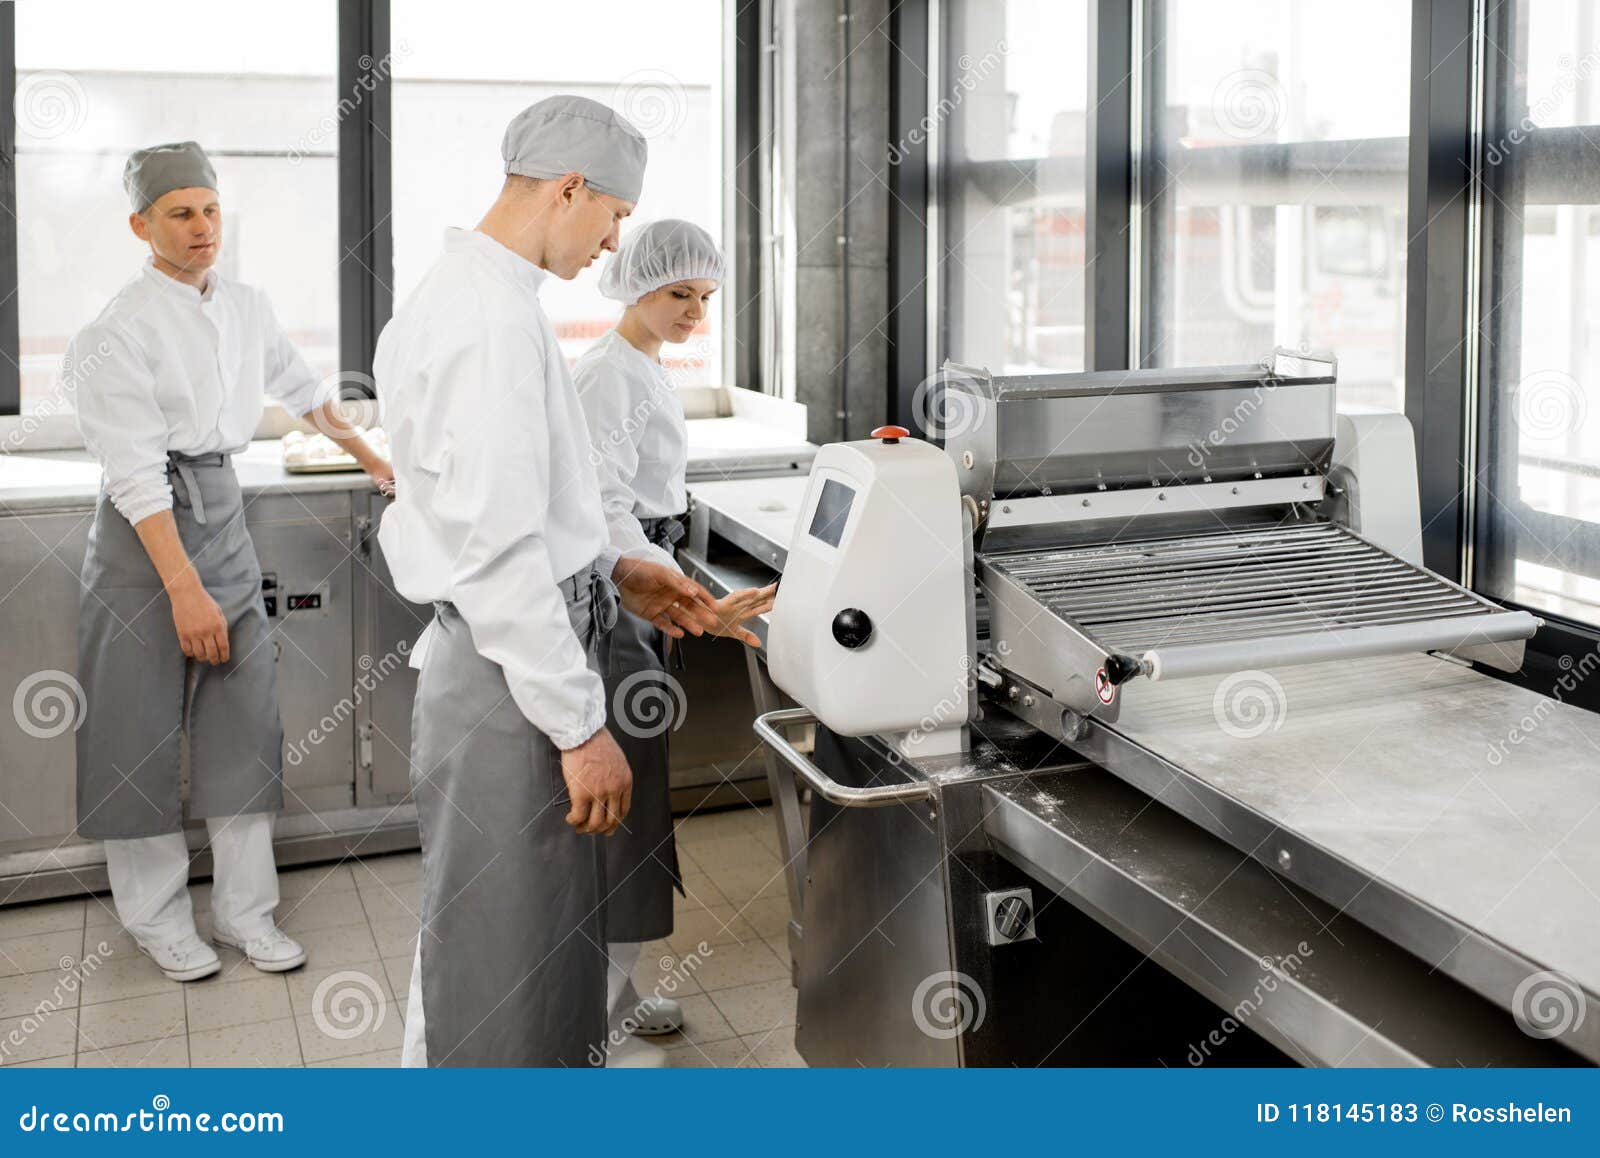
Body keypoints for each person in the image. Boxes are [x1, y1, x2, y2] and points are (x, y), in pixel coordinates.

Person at [377, 96, 756, 1068]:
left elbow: (531, 511)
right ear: (569, 188)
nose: (613, 242)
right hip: (512, 674)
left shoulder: (487, 301)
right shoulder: (486, 324)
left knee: (499, 949)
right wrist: (582, 728)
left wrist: (619, 570)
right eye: (615, 218)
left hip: (519, 655)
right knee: (500, 969)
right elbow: (500, 557)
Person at [70, 141, 392, 983]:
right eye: (180, 213)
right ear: (141, 225)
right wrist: (184, 592)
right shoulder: (116, 332)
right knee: (138, 733)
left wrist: (375, 458)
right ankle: (157, 920)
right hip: (148, 540)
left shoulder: (245, 304)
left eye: (211, 209)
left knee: (243, 725)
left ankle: (247, 914)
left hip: (225, 522)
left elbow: (304, 389)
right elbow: (136, 478)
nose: (202, 227)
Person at [574, 219, 774, 1065]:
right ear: (632, 285)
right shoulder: (605, 379)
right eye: (677, 295)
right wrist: (675, 589)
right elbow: (606, 508)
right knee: (625, 799)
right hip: (625, 602)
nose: (694, 311)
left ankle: (615, 986)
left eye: (704, 297)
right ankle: (601, 1003)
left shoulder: (646, 368)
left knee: (642, 792)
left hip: (642, 588)